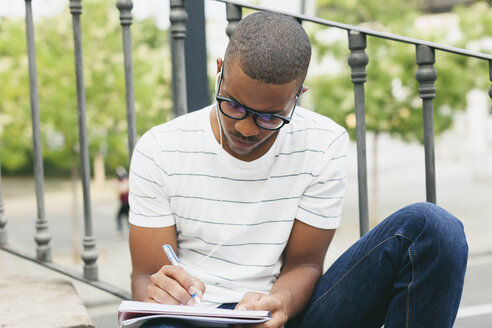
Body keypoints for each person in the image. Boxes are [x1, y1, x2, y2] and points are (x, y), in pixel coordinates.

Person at [128, 11, 468, 328]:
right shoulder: (160, 149)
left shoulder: (323, 143)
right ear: (219, 72)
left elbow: (304, 265)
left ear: (298, 96)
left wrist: (280, 303)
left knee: (434, 229)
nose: (246, 129)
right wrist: (160, 292)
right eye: (233, 105)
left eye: (269, 117)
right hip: (191, 318)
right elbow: (145, 277)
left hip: (283, 316)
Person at [116, 166, 130, 234]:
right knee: (127, 216)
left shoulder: (125, 180)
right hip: (125, 201)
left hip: (125, 202)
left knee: (118, 216)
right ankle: (128, 229)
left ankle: (120, 230)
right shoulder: (125, 179)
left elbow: (123, 189)